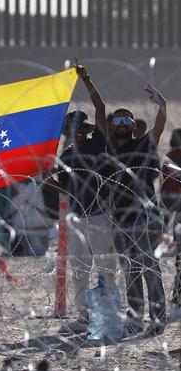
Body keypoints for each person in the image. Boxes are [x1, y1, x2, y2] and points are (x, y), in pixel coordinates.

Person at [48, 64, 117, 333]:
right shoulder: (65, 156)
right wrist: (46, 179)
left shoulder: (98, 143)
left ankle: (107, 314)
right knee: (79, 270)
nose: (76, 131)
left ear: (86, 129)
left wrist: (86, 79)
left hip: (100, 213)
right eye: (72, 127)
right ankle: (83, 316)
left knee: (106, 268)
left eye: (80, 127)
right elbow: (63, 189)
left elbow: (100, 108)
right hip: (77, 216)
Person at [102, 84, 168, 336]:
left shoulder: (142, 145)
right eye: (117, 119)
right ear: (112, 125)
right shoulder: (109, 150)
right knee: (130, 270)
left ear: (132, 125)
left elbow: (159, 129)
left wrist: (161, 105)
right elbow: (98, 116)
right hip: (120, 218)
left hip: (145, 217)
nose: (121, 123)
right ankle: (135, 318)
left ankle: (158, 319)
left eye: (126, 119)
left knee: (150, 268)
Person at [162, 129, 181, 306]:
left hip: (174, 208)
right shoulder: (172, 156)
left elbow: (164, 185)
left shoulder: (169, 156)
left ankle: (178, 294)